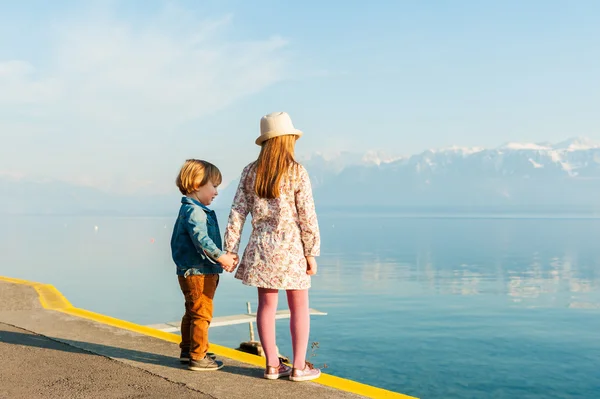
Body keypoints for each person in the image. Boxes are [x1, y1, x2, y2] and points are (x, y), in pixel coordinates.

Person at [223, 112, 321, 381]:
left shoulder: (250, 171)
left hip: (261, 249)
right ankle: (299, 367)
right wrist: (311, 253)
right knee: (299, 305)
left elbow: (237, 213)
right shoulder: (297, 171)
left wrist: (231, 249)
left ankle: (272, 366)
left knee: (266, 306)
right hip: (291, 251)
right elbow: (307, 216)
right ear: (287, 140)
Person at [170, 159, 238, 371]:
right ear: (197, 184)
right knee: (202, 313)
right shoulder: (195, 212)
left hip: (191, 270)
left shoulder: (190, 210)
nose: (216, 192)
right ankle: (198, 356)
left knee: (192, 311)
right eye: (214, 186)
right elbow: (202, 240)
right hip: (199, 271)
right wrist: (222, 257)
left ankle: (188, 350)